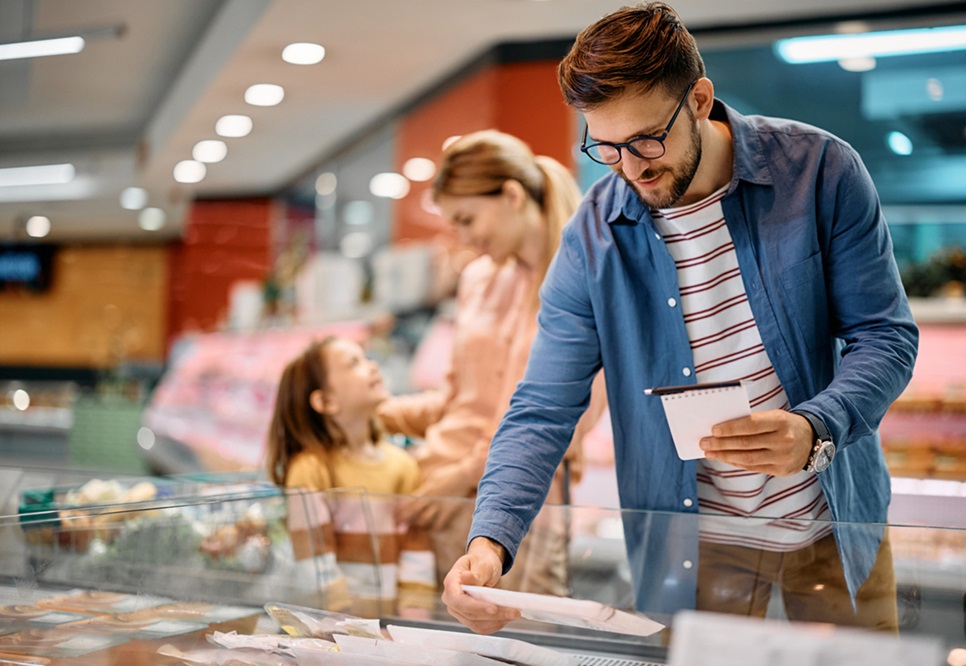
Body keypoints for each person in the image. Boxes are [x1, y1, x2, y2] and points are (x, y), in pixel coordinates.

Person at [442, 2, 918, 635]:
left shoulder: (820, 171)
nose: (631, 167)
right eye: (605, 148)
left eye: (646, 139)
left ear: (698, 99)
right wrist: (489, 543)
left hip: (834, 524)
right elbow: (543, 406)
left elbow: (885, 336)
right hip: (696, 546)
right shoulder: (592, 235)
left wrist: (815, 427)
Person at [377, 129, 607, 595]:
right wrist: (379, 412)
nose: (463, 238)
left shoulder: (588, 279)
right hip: (436, 495)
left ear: (511, 195)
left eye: (467, 219)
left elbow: (563, 418)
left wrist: (461, 477)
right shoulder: (478, 278)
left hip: (520, 512)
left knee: (522, 643)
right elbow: (462, 397)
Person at [266, 336, 435, 616]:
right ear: (325, 401)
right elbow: (315, 560)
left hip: (389, 631)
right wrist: (343, 626)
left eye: (367, 357)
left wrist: (414, 619)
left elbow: (416, 550)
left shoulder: (403, 465)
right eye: (354, 363)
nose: (372, 366)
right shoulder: (310, 468)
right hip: (333, 629)